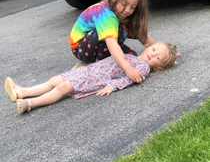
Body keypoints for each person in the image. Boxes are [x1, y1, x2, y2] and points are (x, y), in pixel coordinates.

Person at [5, 42, 177, 114]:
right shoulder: (132, 56)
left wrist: (113, 86)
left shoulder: (143, 67)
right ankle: (22, 92)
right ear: (149, 46)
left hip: (94, 80)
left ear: (158, 66)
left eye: (158, 58)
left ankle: (30, 104)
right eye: (153, 50)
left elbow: (129, 78)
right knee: (55, 80)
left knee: (61, 87)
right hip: (88, 72)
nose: (152, 55)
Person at [69, 0, 154, 84]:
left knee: (132, 56)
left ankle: (104, 63)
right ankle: (95, 69)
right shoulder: (106, 14)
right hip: (81, 48)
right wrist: (128, 69)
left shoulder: (123, 13)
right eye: (124, 4)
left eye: (132, 7)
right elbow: (111, 44)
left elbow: (142, 35)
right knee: (108, 41)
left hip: (103, 44)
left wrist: (161, 50)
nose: (127, 10)